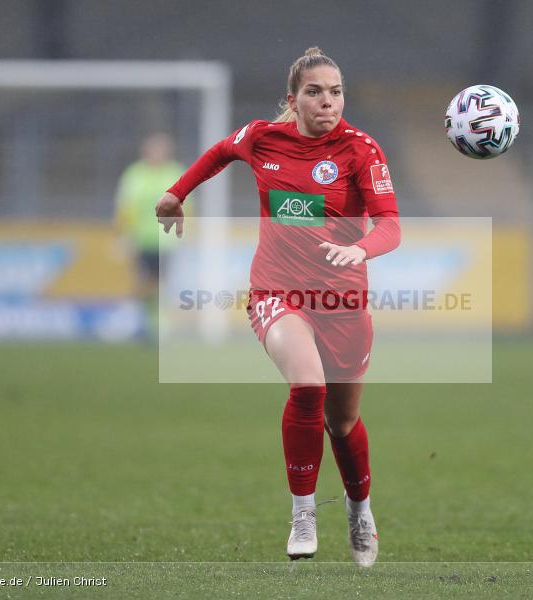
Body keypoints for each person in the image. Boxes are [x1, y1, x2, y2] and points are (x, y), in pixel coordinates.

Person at [155, 47, 401, 566]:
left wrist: (360, 248)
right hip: (277, 291)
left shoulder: (361, 150)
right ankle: (303, 512)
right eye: (315, 92)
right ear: (293, 100)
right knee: (307, 386)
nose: (327, 102)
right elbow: (220, 152)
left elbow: (391, 225)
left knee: (343, 421)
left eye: (336, 92)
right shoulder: (263, 137)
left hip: (342, 300)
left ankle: (360, 511)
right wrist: (177, 193)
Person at [115, 133, 186, 335]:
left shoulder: (175, 172)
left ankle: (159, 324)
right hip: (142, 240)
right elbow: (124, 207)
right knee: (141, 284)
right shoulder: (135, 175)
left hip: (167, 241)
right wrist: (123, 235)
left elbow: (188, 206)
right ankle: (144, 322)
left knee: (161, 284)